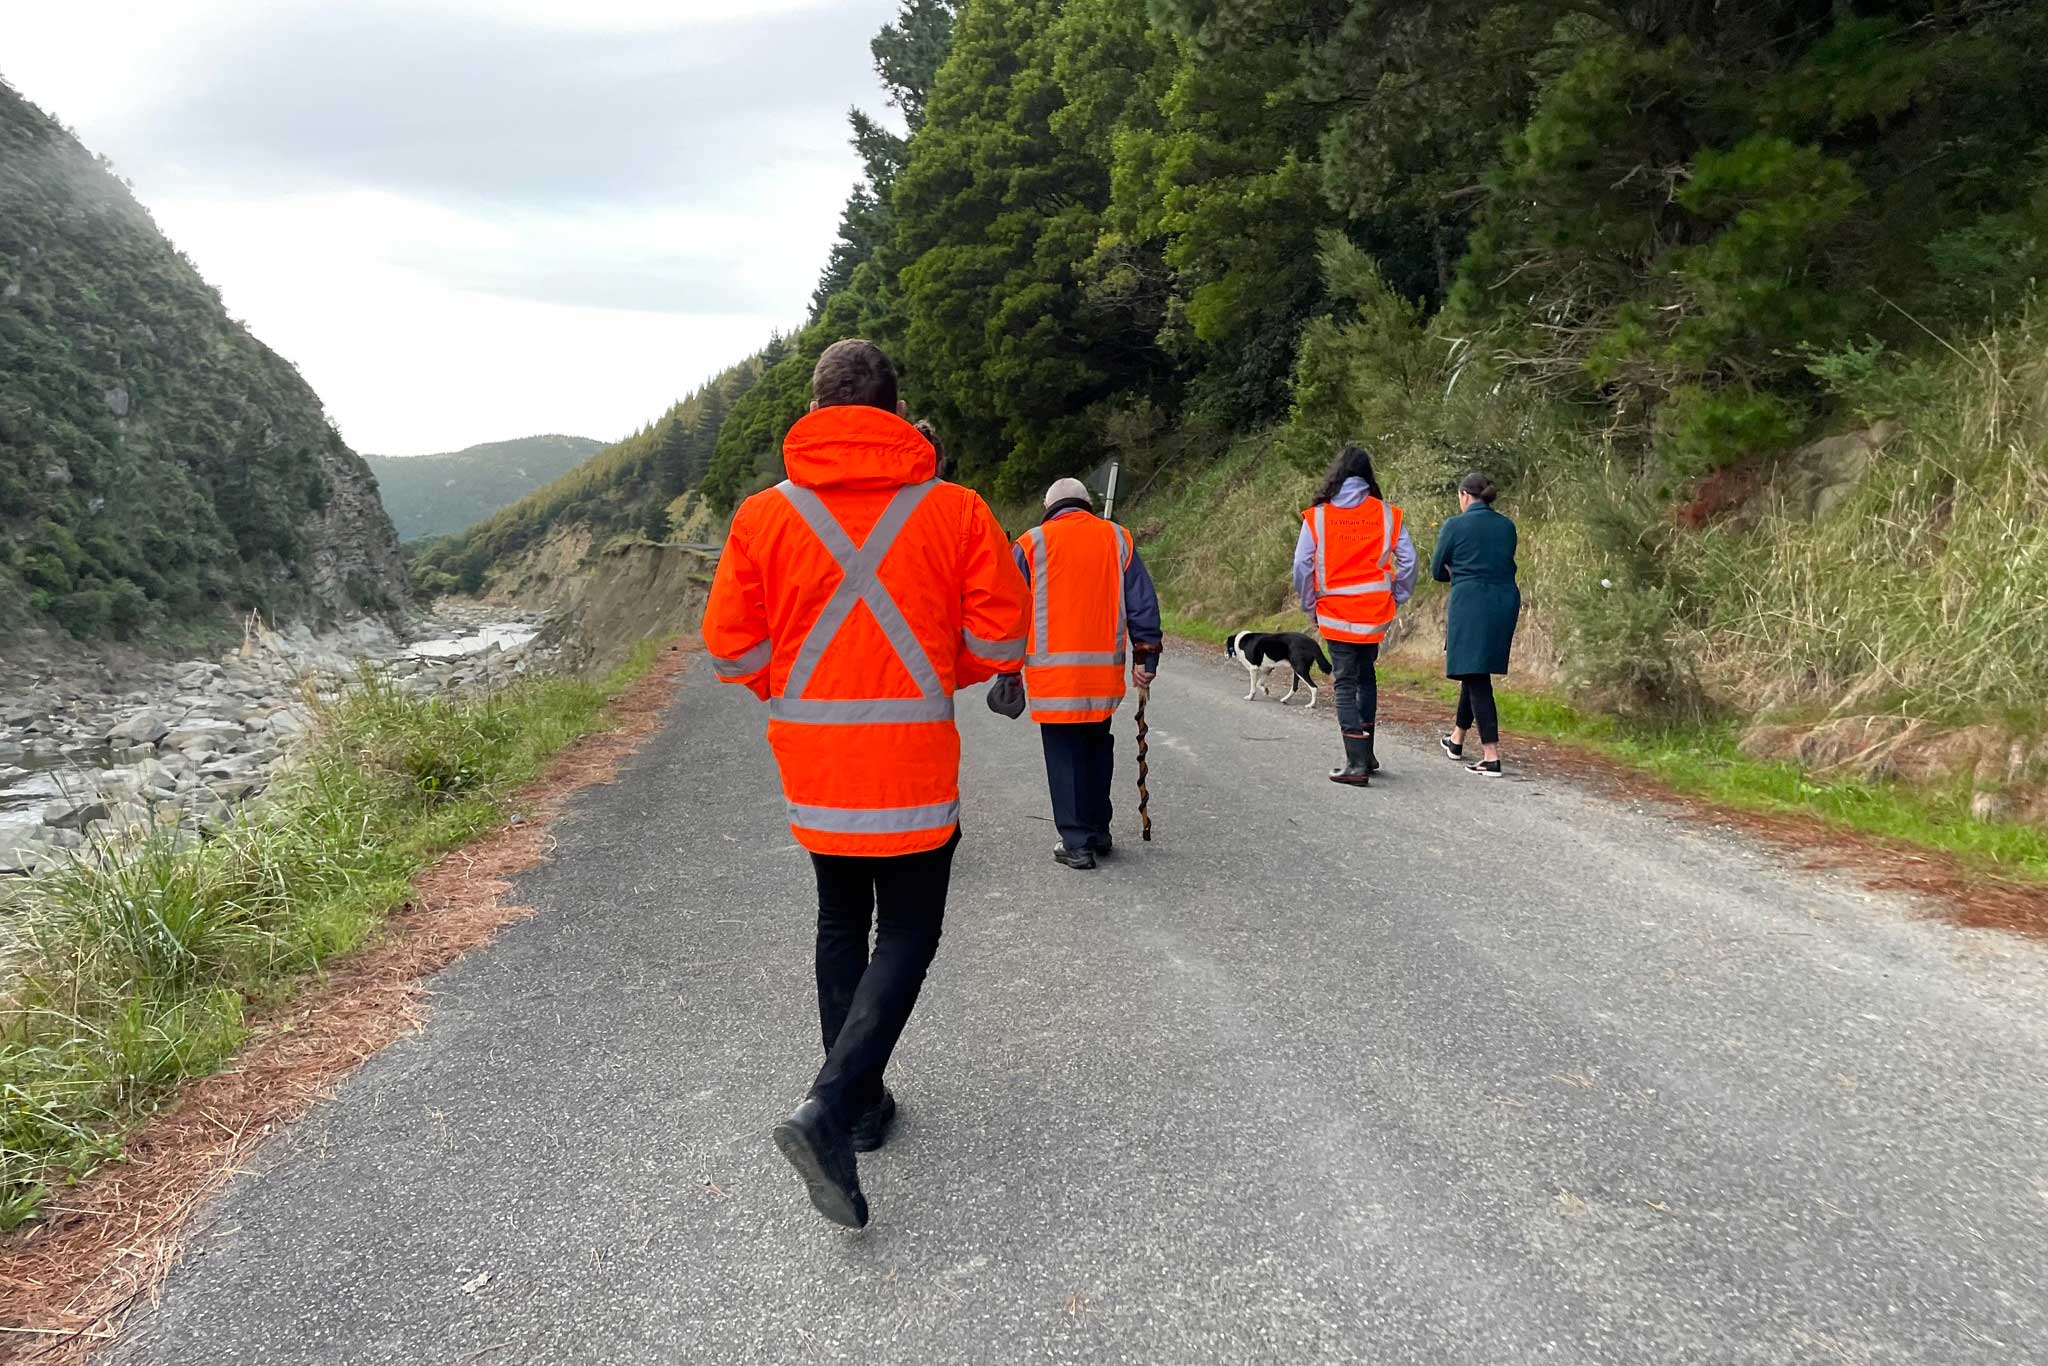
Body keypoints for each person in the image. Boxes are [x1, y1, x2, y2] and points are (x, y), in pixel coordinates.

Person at [700, 339, 1029, 1229]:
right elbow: (1002, 643)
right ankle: (833, 1104)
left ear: (815, 407)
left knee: (842, 920)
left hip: (812, 764)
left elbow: (733, 648)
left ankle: (866, 1109)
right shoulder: (954, 508)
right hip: (913, 760)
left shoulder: (763, 516)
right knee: (910, 929)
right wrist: (926, 670)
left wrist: (795, 688)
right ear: (894, 408)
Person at [1014, 477, 1163, 870]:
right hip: (1101, 677)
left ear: (1050, 507)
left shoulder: (1031, 544)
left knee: (1064, 756)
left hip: (1052, 678)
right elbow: (1142, 604)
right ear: (1085, 503)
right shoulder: (1117, 539)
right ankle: (1099, 830)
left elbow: (1009, 611)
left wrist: (1005, 671)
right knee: (1097, 750)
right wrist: (1145, 657)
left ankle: (1077, 843)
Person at [1294, 444, 1417, 786]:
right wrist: (1398, 595)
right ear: (1367, 476)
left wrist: (1310, 604)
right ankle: (1368, 754)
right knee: (1366, 678)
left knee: (1345, 683)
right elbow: (1408, 560)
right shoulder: (1386, 514)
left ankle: (1356, 764)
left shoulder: (1318, 516)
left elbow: (1302, 565)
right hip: (1374, 614)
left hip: (1335, 612)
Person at [1431, 471, 1522, 777]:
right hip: (1504, 601)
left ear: (1465, 495)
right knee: (1475, 669)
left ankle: (1491, 756)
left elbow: (1436, 570)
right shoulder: (1507, 526)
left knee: (1476, 676)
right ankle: (1456, 739)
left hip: (1471, 601)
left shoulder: (1455, 525)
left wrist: (1456, 573)